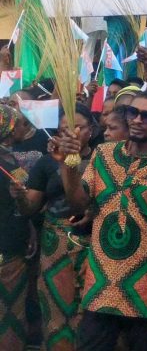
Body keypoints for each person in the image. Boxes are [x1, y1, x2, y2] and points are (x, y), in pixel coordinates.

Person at [54, 90, 147, 350]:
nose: (137, 119)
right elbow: (79, 204)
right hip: (100, 288)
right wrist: (68, 166)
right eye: (133, 112)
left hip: (146, 291)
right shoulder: (103, 154)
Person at [11, 104, 95, 351]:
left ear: (91, 130)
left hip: (94, 245)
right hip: (54, 245)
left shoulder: (104, 160)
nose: (70, 133)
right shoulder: (47, 163)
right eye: (62, 130)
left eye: (77, 127)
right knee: (55, 305)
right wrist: (19, 196)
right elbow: (30, 208)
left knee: (88, 308)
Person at [0, 105, 36, 351]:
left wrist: (30, 226)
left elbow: (22, 204)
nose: (27, 127)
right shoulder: (9, 162)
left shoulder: (11, 159)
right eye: (21, 123)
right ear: (8, 129)